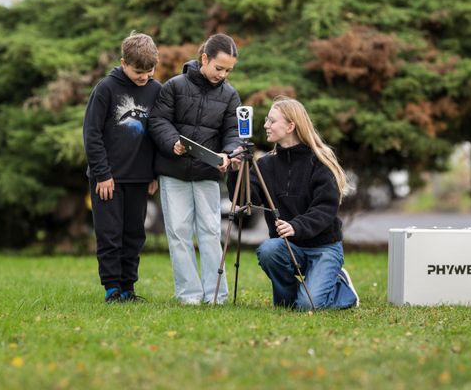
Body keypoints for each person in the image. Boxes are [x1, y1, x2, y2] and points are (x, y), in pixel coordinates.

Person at [228, 96, 360, 310]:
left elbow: (325, 209)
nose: (265, 125)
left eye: (272, 121)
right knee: (269, 250)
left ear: (290, 126)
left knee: (309, 305)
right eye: (266, 120)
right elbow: (246, 200)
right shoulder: (266, 164)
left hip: (323, 248)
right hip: (288, 247)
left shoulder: (320, 162)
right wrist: (237, 171)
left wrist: (296, 226)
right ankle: (287, 301)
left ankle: (341, 287)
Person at [149, 33, 241, 305]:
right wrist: (172, 142)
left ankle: (216, 295)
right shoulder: (174, 86)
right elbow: (158, 121)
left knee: (211, 232)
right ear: (204, 59)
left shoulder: (230, 95)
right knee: (178, 232)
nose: (223, 74)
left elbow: (233, 132)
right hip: (173, 171)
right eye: (219, 67)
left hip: (207, 173)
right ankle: (188, 295)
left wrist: (228, 153)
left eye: (228, 70)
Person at [83, 32, 161, 303]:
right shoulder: (106, 89)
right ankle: (112, 288)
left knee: (134, 235)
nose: (144, 77)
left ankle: (128, 287)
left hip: (140, 178)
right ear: (124, 63)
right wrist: (102, 174)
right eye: (138, 72)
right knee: (110, 234)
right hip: (108, 179)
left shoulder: (156, 90)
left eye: (149, 71)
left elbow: (157, 134)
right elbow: (91, 134)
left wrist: (153, 174)